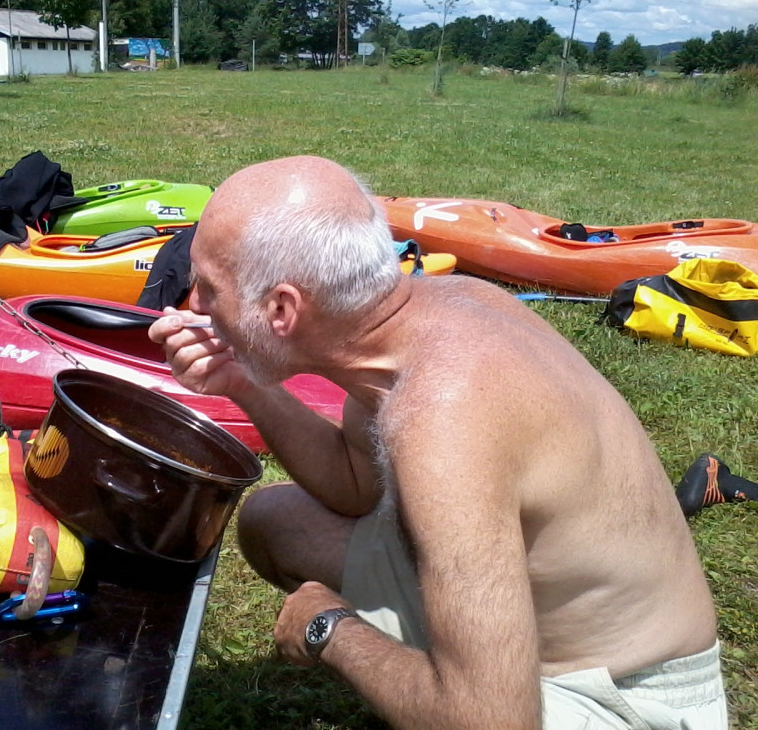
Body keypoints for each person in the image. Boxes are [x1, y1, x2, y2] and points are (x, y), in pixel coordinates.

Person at [147, 155, 727, 729]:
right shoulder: (427, 316)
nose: (195, 304)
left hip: (624, 696)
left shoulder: (444, 417)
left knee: (466, 705)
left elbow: (492, 723)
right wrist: (243, 382)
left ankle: (450, 678)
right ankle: (452, 669)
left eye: (210, 288)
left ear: (282, 308)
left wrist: (331, 631)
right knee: (277, 523)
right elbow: (354, 489)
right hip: (541, 630)